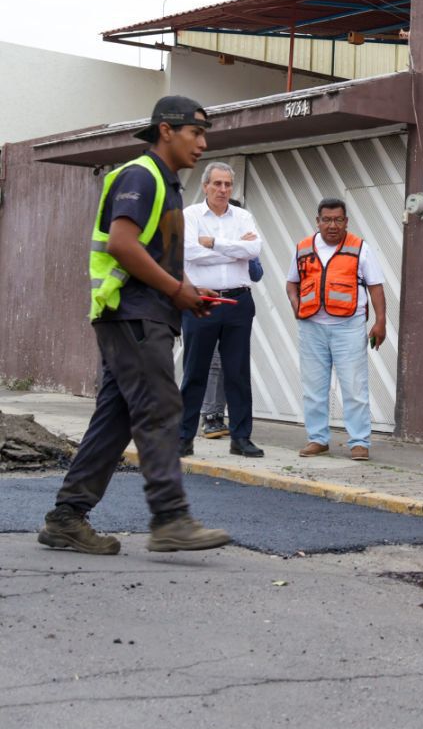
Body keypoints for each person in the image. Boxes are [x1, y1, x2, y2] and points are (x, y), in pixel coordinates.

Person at [38, 96, 230, 555]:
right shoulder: (141, 176)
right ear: (166, 130)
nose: (202, 143)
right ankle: (170, 519)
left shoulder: (168, 184)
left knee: (117, 417)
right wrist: (175, 290)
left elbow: (155, 252)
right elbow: (124, 246)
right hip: (131, 311)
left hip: (140, 311)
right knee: (161, 408)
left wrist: (187, 291)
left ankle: (67, 518)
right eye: (195, 133)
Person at [286, 198, 387, 461]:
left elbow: (376, 286)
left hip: (349, 327)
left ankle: (359, 442)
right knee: (313, 387)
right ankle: (317, 439)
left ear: (346, 221)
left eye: (338, 220)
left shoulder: (359, 248)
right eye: (327, 220)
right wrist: (297, 307)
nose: (333, 225)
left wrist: (381, 320)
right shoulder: (302, 248)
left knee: (354, 386)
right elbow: (291, 283)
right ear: (317, 221)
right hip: (312, 327)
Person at [179, 166, 265, 458]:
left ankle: (241, 438)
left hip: (239, 302)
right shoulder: (190, 215)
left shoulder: (242, 217)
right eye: (217, 183)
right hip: (202, 302)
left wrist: (214, 243)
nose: (223, 189)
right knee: (194, 372)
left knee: (238, 373)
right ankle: (183, 437)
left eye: (228, 184)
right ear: (205, 186)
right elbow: (189, 253)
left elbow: (255, 250)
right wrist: (234, 250)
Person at [200, 198, 264, 440]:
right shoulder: (201, 235)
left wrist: (243, 253)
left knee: (231, 364)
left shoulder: (245, 240)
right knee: (212, 363)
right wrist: (231, 249)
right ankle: (210, 416)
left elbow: (257, 274)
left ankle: (225, 416)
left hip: (236, 306)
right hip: (207, 305)